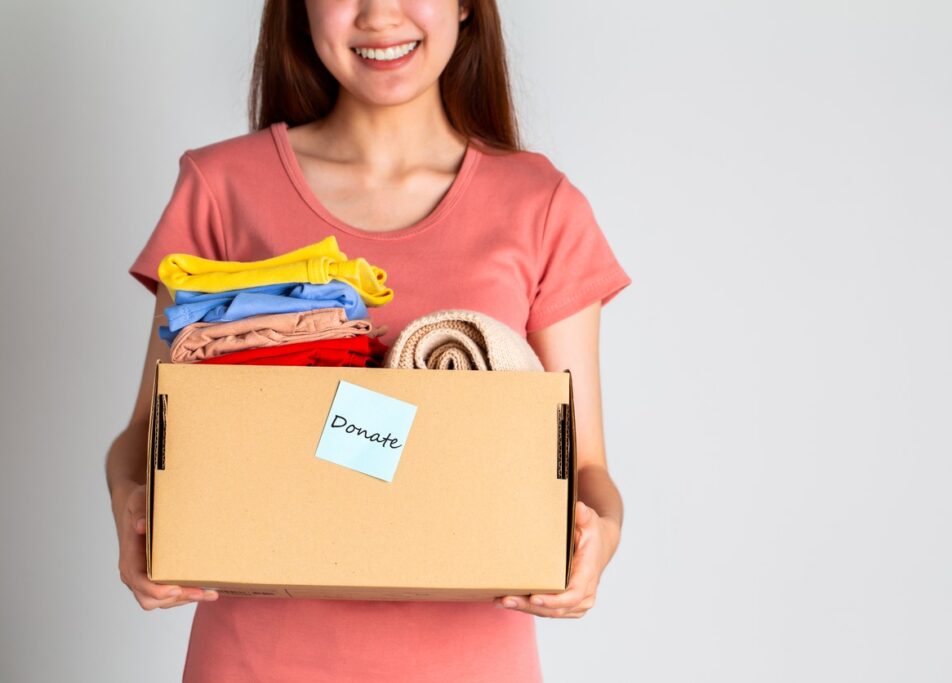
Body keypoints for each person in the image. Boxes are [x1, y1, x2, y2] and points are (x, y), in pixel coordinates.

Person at [106, 0, 632, 680]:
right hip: (254, 659)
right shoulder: (221, 188)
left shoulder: (542, 207)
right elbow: (147, 435)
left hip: (470, 661)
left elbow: (586, 468)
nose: (380, 14)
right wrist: (130, 509)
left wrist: (601, 537)